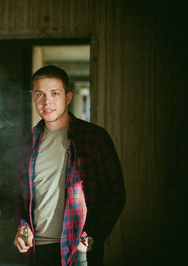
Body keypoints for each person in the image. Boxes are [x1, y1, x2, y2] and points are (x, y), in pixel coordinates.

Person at [13, 65, 125, 266]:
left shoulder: (94, 138)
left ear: (69, 97)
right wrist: (22, 229)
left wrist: (88, 239)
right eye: (40, 94)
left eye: (54, 93)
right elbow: (21, 198)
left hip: (78, 251)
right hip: (37, 252)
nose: (47, 101)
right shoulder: (28, 142)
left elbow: (114, 195)